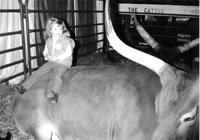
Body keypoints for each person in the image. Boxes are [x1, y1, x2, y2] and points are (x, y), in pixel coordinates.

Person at [20, 17, 75, 103]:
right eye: (55, 29)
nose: (58, 31)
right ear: (50, 30)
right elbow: (45, 50)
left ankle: (53, 92)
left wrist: (58, 58)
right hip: (51, 61)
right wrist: (46, 55)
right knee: (39, 72)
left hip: (63, 63)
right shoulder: (49, 40)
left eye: (60, 29)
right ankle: (24, 87)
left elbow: (68, 52)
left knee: (56, 75)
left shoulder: (66, 40)